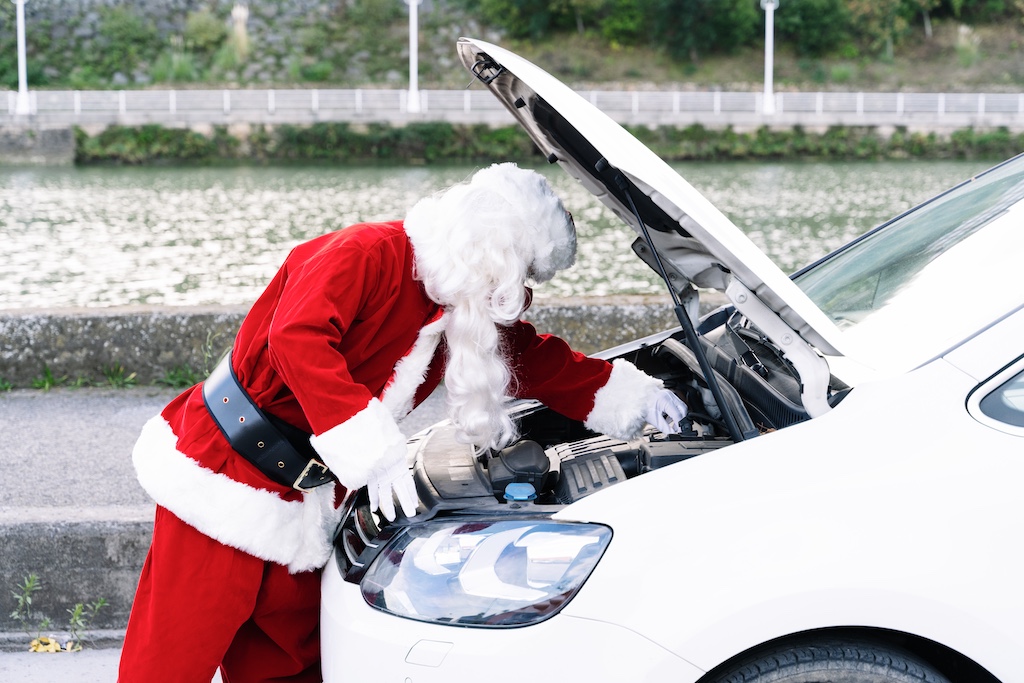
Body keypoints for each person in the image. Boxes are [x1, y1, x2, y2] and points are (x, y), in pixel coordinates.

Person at [118, 162, 688, 682]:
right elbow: (296, 338)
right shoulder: (365, 252)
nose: (522, 295)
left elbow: (537, 360)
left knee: (288, 664)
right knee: (170, 661)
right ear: (493, 250)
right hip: (226, 474)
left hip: (305, 494)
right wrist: (376, 455)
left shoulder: (460, 307)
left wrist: (636, 398)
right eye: (522, 273)